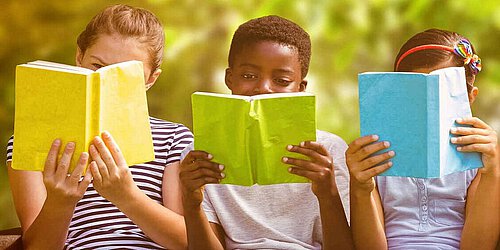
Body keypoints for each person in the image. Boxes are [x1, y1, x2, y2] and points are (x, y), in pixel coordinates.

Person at [7, 5, 192, 249]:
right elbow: (37, 246)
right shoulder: (30, 139)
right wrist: (61, 201)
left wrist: (126, 195)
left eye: (125, 74)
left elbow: (188, 242)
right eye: (97, 66)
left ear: (150, 79)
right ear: (79, 57)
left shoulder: (174, 139)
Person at [179, 15, 353, 250]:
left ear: (300, 89)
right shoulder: (201, 153)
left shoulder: (327, 151)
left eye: (281, 80)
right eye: (249, 76)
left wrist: (327, 193)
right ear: (229, 79)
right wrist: (191, 203)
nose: (263, 88)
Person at [347, 28, 499, 250]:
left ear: (469, 97)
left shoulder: (480, 154)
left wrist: (492, 171)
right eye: (414, 95)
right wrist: (361, 187)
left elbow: (478, 246)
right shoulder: (374, 153)